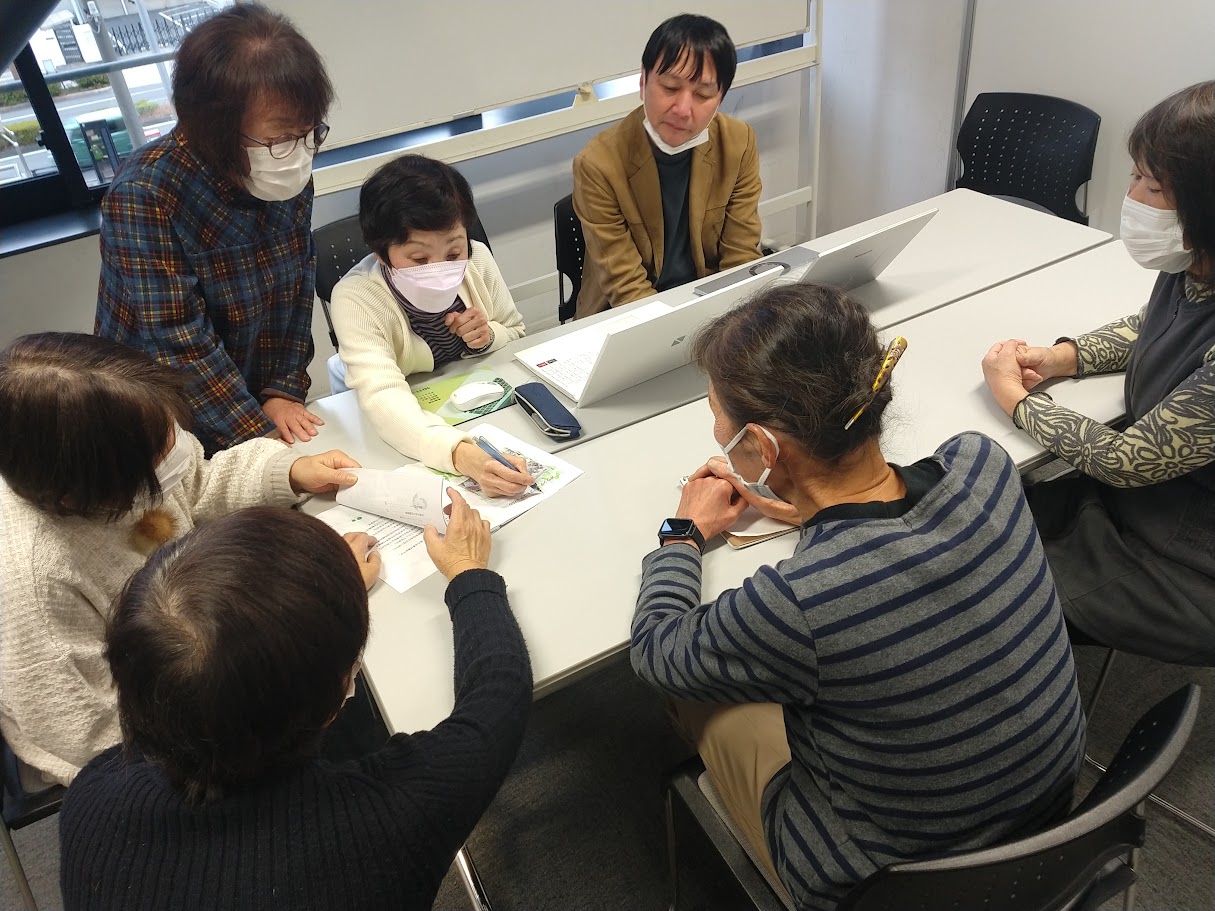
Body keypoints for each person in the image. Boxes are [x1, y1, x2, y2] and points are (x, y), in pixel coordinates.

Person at [631, 284, 1085, 910]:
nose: (715, 430)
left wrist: (682, 533)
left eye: (717, 417)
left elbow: (656, 649)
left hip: (894, 889)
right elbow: (896, 518)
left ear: (763, 447)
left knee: (697, 698)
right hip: (1057, 835)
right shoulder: (984, 465)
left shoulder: (797, 603)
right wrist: (810, 508)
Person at [59, 495, 532, 911]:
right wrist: (468, 570)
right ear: (336, 698)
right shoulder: (387, 819)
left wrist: (309, 603)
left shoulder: (91, 798)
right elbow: (498, 694)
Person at [0, 333, 362, 787]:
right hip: (170, 752)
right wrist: (314, 595)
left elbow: (196, 484)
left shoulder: (118, 461)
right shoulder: (34, 585)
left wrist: (287, 472)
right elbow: (91, 738)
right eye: (159, 452)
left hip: (209, 654)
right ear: (92, 489)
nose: (179, 449)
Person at [981, 81, 1215, 666]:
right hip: (1148, 504)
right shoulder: (1196, 262)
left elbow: (1125, 460)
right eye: (1135, 176)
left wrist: (1017, 400)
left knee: (980, 578)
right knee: (978, 519)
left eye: (1152, 187)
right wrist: (1064, 356)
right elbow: (1151, 325)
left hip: (1187, 559)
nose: (1131, 197)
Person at [95, 5, 334, 455]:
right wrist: (258, 437)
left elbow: (298, 286)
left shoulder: (284, 165)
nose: (298, 152)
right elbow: (177, 339)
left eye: (309, 133)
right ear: (215, 126)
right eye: (281, 137)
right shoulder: (146, 193)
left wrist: (282, 390)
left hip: (252, 389)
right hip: (159, 411)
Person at [331, 154, 533, 495]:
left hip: (468, 405)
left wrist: (487, 337)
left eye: (453, 254)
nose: (440, 269)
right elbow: (382, 397)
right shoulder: (356, 298)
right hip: (394, 422)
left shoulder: (477, 259)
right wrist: (460, 454)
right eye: (419, 259)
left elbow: (515, 331)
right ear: (382, 254)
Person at [572, 14, 762, 319]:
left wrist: (727, 325)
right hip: (625, 315)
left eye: (702, 94)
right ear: (643, 81)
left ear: (720, 98)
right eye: (670, 87)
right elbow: (626, 287)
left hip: (710, 306)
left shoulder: (738, 144)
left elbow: (740, 257)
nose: (683, 109)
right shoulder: (598, 165)